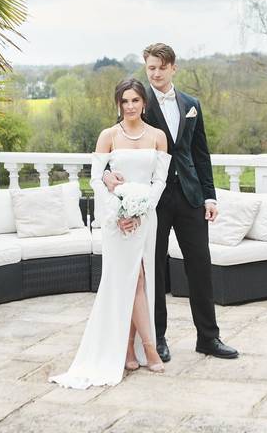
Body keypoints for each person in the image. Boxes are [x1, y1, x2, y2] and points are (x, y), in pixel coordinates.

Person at [104, 43, 238, 362]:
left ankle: (209, 337)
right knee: (156, 271)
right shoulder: (138, 103)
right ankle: (158, 339)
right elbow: (116, 144)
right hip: (153, 201)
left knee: (200, 268)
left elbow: (200, 154)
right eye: (151, 67)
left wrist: (209, 196)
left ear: (173, 68)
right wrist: (109, 175)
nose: (156, 72)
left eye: (161, 67)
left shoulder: (191, 104)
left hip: (191, 198)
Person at [49, 78, 171, 388]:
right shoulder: (109, 136)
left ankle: (131, 348)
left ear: (144, 103)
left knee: (140, 278)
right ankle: (149, 350)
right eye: (124, 101)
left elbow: (160, 181)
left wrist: (141, 209)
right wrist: (119, 214)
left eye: (135, 100)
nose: (130, 106)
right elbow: (95, 179)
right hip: (117, 221)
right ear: (119, 104)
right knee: (131, 279)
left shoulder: (158, 137)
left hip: (145, 218)